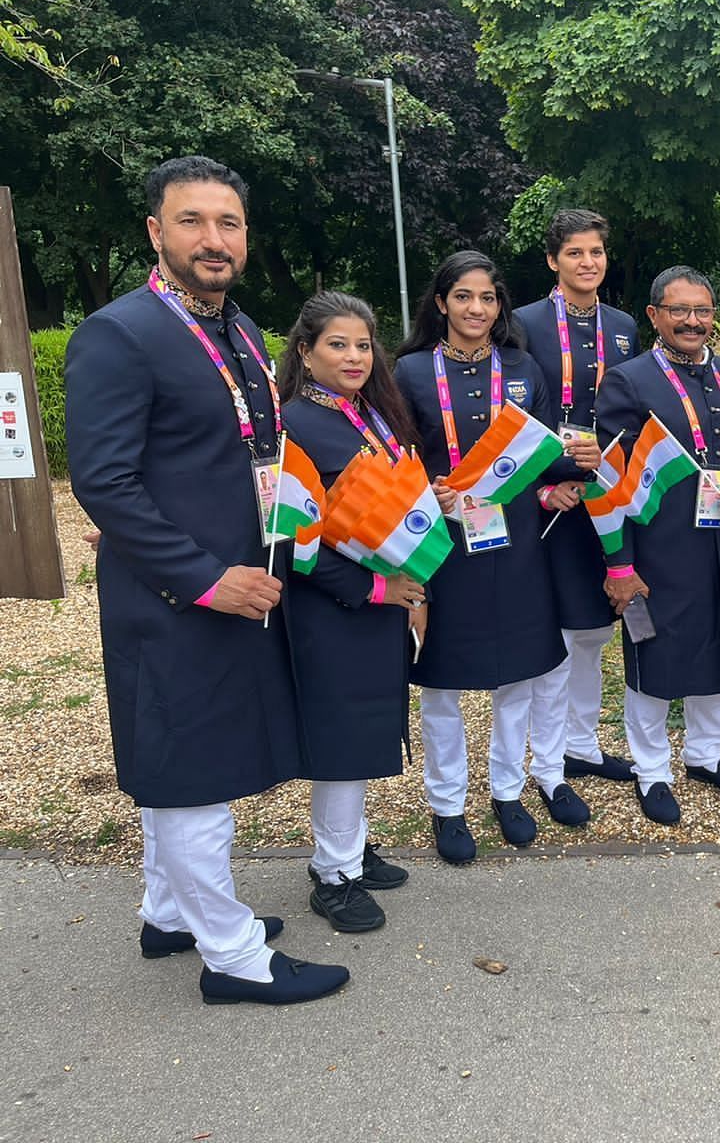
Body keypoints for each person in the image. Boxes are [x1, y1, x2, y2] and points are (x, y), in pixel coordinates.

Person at [65, 155, 347, 1004]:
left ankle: (167, 913)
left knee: (188, 757)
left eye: (228, 223)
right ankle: (233, 958)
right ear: (156, 232)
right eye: (192, 221)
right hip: (175, 599)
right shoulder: (119, 334)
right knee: (193, 772)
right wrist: (201, 579)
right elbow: (103, 483)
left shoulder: (243, 330)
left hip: (245, 584)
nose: (212, 239)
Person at [395, 250, 585, 863]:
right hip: (445, 545)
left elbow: (545, 452)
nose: (476, 309)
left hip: (519, 541)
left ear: (500, 306)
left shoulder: (525, 367)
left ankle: (507, 792)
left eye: (488, 298)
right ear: (441, 303)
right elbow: (393, 460)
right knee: (442, 684)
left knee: (519, 675)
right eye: (463, 297)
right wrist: (428, 486)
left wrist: (571, 471)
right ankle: (447, 807)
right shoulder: (409, 374)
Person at [594, 266, 720, 826]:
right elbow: (608, 482)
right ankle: (651, 770)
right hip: (654, 547)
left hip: (718, 541)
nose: (693, 321)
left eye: (704, 310)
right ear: (655, 316)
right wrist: (619, 564)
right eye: (680, 310)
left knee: (715, 647)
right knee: (654, 654)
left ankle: (705, 756)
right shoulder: (628, 381)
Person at [280, 291, 420, 933]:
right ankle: (332, 875)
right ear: (306, 353)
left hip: (380, 600)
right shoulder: (294, 426)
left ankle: (351, 847)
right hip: (333, 606)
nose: (355, 356)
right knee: (342, 736)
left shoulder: (370, 414)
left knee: (364, 727)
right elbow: (295, 542)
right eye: (338, 344)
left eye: (364, 344)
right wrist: (372, 590)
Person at [512, 210, 640, 790]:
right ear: (551, 261)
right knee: (559, 630)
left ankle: (584, 745)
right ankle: (550, 760)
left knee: (593, 629)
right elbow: (511, 415)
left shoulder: (623, 325)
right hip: (553, 493)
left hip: (607, 489)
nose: (588, 263)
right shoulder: (521, 323)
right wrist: (542, 484)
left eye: (596, 252)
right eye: (575, 253)